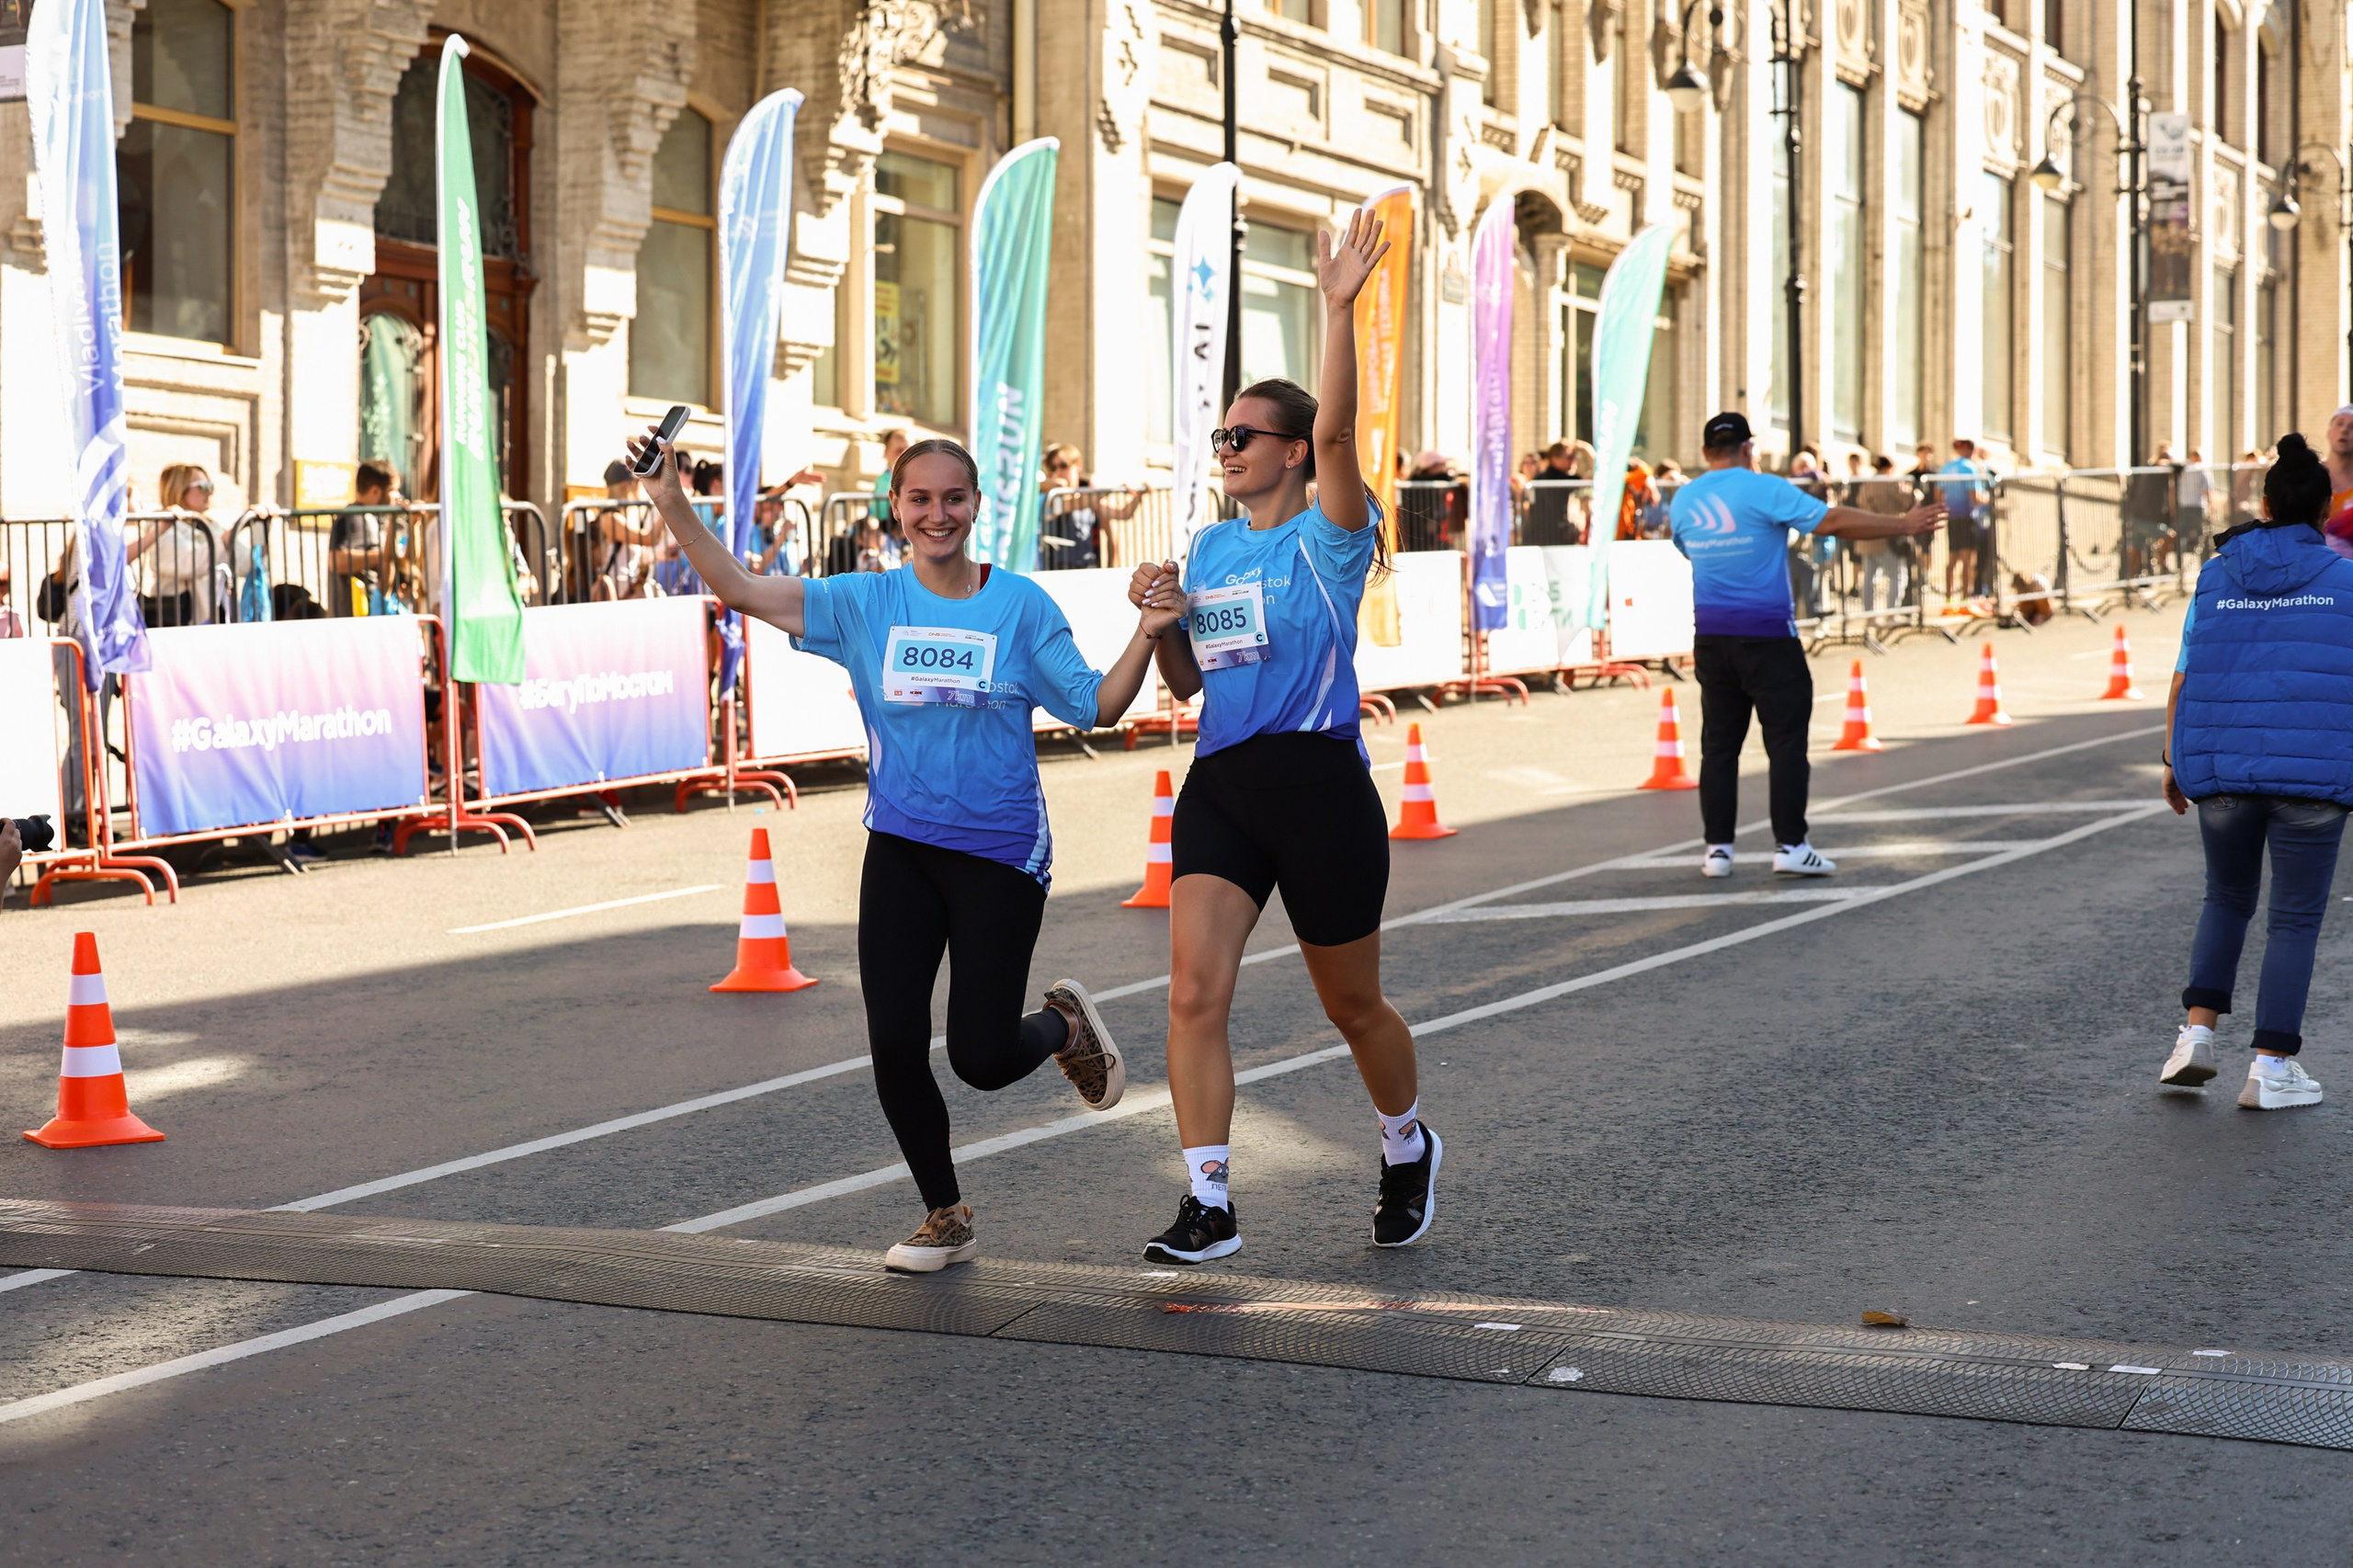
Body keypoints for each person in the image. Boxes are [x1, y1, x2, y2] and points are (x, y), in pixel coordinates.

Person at [631, 422, 1178, 1272]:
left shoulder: (1020, 606)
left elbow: (1097, 705)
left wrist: (1145, 633)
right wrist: (671, 501)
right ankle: (945, 1215)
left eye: (952, 498)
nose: (937, 514)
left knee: (982, 1058)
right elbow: (738, 586)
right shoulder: (864, 605)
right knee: (893, 1043)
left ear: (975, 506)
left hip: (1001, 854)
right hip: (901, 848)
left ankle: (1063, 1024)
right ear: (895, 509)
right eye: (919, 499)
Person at [1122, 208, 1431, 1267]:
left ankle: (1403, 1141)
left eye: (1241, 435)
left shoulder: (1331, 535)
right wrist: (1161, 621)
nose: (1226, 449)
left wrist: (1336, 308)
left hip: (1317, 787)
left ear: (1292, 452)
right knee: (1192, 991)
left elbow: (1344, 435)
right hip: (1223, 782)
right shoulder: (1207, 541)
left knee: (1352, 1004)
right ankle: (1209, 1200)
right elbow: (1188, 680)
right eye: (1220, 436)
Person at [2157, 433, 2353, 1110]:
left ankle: (2194, 1038)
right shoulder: (2345, 580)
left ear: (2263, 505)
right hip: (2314, 776)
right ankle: (2271, 1069)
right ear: (2326, 512)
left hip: (2224, 771)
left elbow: (2187, 668)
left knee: (2225, 898)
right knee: (2294, 920)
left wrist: (2171, 758)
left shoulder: (2216, 575)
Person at [1669, 411, 1944, 881]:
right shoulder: (1764, 488)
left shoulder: (1685, 499)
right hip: (1769, 638)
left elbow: (1686, 549)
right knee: (1786, 744)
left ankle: (1718, 851)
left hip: (1712, 639)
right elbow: (1831, 520)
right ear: (1749, 448)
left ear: (1704, 452)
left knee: (1718, 746)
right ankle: (1790, 845)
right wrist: (1902, 524)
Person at [1037, 443, 1145, 569]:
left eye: (1064, 466)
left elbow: (1122, 514)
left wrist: (1138, 496)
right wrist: (1116, 487)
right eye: (1053, 468)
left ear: (1078, 465)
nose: (1058, 472)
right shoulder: (1052, 496)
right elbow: (1077, 501)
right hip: (1056, 568)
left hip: (1087, 566)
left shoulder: (1090, 494)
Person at [134, 463, 217, 626]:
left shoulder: (209, 525)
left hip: (209, 616)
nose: (209, 492)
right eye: (203, 486)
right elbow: (187, 563)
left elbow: (245, 560)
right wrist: (225, 542)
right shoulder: (160, 523)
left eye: (211, 486)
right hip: (180, 619)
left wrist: (260, 528)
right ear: (180, 489)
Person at [1852, 454, 1914, 615]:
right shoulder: (1891, 482)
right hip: (1886, 535)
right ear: (1890, 467)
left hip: (1867, 535)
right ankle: (1891, 613)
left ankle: (1869, 614)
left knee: (1869, 578)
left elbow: (1859, 502)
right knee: (1898, 575)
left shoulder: (1866, 483)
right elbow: (1909, 498)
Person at [593, 459, 661, 600]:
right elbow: (650, 539)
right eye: (637, 483)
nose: (640, 487)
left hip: (625, 593)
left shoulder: (621, 516)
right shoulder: (611, 518)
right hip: (613, 595)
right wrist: (664, 509)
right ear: (625, 486)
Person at [2319, 408, 2353, 559]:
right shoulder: (2309, 476)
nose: (2345, 430)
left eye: (2352, 427)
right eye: (2340, 424)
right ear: (2328, 432)